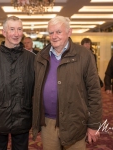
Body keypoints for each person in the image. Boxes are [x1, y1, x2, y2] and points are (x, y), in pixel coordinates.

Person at [32, 16, 102, 150]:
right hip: (47, 122)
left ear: (69, 32)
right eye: (51, 32)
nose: (54, 36)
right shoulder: (41, 56)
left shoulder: (84, 55)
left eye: (58, 32)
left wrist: (93, 125)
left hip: (74, 121)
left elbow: (94, 92)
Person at [0, 16, 35, 150]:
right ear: (4, 32)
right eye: (12, 29)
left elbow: (35, 88)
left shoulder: (32, 58)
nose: (16, 33)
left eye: (19, 29)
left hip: (23, 115)